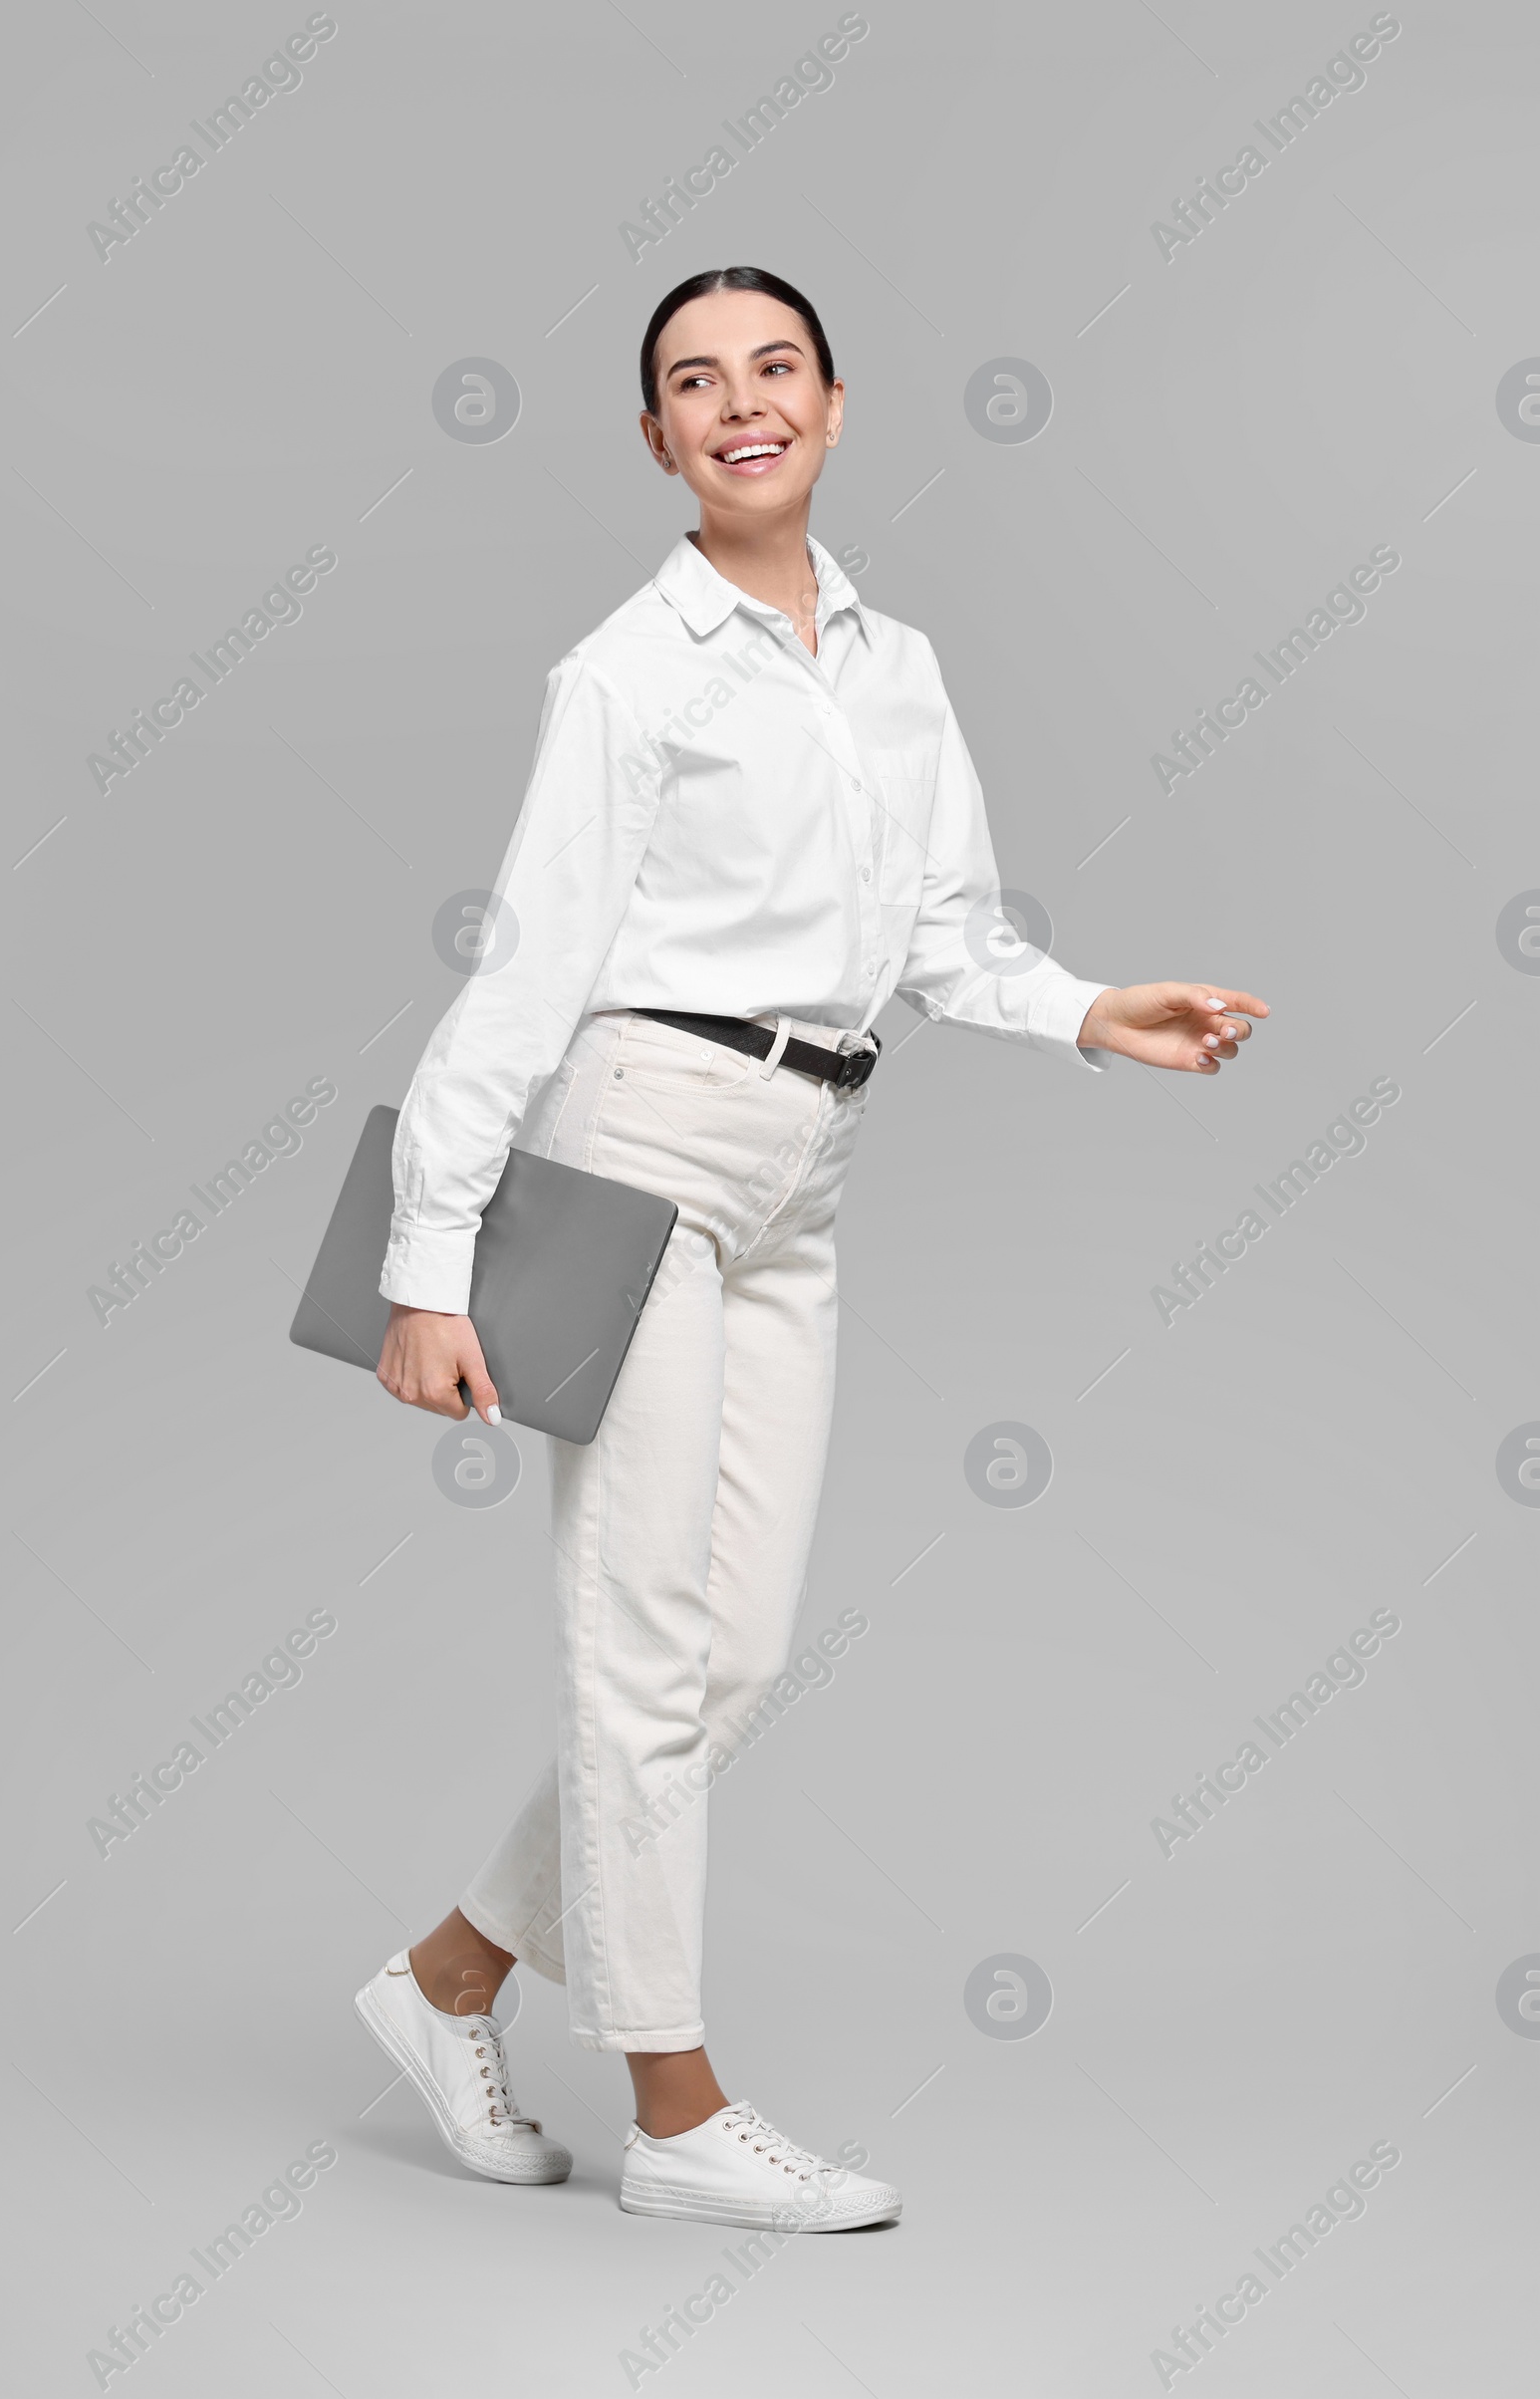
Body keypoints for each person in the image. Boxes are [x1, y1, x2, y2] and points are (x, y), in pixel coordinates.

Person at [356, 265, 1268, 2229]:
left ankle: (446, 1978)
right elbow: (518, 968)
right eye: (693, 381)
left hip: (802, 1162)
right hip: (639, 1139)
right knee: (640, 1649)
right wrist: (428, 1261)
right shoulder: (628, 670)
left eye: (772, 369)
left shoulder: (895, 663)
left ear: (834, 407)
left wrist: (1089, 1007)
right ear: (655, 440)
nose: (737, 402)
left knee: (733, 1651)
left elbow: (942, 937)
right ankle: (676, 2118)